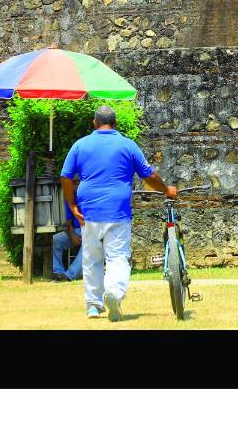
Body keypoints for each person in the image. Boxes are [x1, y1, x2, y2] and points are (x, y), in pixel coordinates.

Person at [60, 104, 176, 321]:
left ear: (94, 123)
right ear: (115, 123)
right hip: (117, 211)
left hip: (88, 211)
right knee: (118, 257)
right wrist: (167, 190)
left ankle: (93, 306)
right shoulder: (128, 145)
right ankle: (114, 293)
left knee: (91, 259)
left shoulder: (80, 145)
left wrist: (73, 206)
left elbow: (66, 177)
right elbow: (149, 176)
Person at [51, 203, 82, 281]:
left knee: (88, 245)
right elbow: (68, 222)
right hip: (75, 230)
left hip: (91, 230)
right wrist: (72, 235)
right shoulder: (70, 198)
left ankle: (69, 276)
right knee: (54, 240)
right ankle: (58, 273)